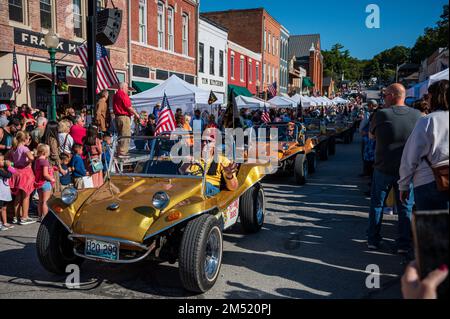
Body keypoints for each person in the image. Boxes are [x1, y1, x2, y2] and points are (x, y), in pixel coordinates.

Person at [367, 83, 421, 253]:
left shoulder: (381, 114)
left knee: (377, 205)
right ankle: (403, 244)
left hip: (383, 167)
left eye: (384, 95)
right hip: (407, 170)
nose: (383, 98)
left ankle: (373, 240)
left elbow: (371, 136)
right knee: (405, 207)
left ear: (391, 95)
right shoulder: (418, 115)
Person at [399, 80, 449, 211]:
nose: (426, 100)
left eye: (428, 96)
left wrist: (404, 186)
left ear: (435, 97)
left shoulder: (428, 120)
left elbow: (410, 156)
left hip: (429, 181)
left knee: (429, 229)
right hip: (436, 180)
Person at [180, 130, 239, 197]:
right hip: (191, 188)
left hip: (211, 190)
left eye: (209, 141)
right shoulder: (192, 157)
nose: (205, 143)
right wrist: (186, 164)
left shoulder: (223, 160)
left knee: (201, 185)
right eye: (202, 141)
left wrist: (229, 176)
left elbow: (234, 187)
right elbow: (180, 175)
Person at [7, 131, 35, 225]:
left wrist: (13, 164)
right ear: (25, 139)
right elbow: (31, 158)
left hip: (16, 172)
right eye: (29, 139)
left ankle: (16, 216)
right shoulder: (24, 148)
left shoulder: (13, 148)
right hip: (25, 172)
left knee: (18, 196)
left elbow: (7, 157)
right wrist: (28, 161)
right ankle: (24, 217)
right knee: (26, 195)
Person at [113, 82, 140, 157]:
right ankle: (123, 152)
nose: (127, 89)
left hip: (117, 117)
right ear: (122, 87)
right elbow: (128, 107)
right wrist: (136, 114)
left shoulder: (115, 95)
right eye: (127, 87)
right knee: (125, 134)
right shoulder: (122, 94)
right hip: (124, 117)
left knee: (120, 134)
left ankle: (119, 151)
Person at [33, 144, 55, 220]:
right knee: (46, 201)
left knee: (40, 201)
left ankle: (39, 216)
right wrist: (52, 179)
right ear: (45, 152)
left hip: (38, 183)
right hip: (45, 182)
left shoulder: (37, 161)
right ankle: (45, 217)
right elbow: (45, 174)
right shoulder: (45, 162)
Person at [42, 121, 61, 192]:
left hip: (46, 164)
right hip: (52, 166)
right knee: (54, 187)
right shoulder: (52, 139)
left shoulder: (44, 138)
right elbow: (54, 155)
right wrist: (60, 167)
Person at [0, 154, 15, 231]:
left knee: (4, 208)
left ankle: (5, 222)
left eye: (3, 160)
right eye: (1, 160)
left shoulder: (4, 168)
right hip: (0, 193)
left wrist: (9, 166)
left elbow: (14, 171)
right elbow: (8, 176)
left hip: (5, 192)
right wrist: (9, 167)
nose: (3, 161)